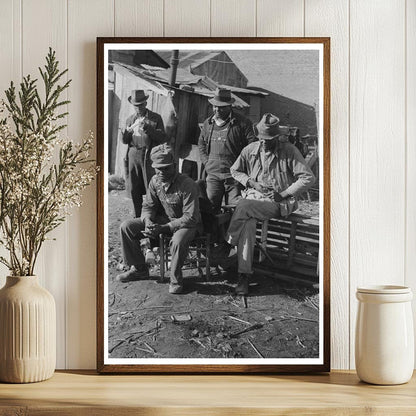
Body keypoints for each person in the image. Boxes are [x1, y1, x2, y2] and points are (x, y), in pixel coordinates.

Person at [224, 113, 316, 295]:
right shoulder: (250, 149)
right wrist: (251, 182)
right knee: (248, 224)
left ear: (278, 137)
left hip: (276, 203)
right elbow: (234, 170)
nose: (264, 142)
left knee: (243, 206)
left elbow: (308, 177)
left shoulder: (289, 151)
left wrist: (284, 193)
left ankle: (228, 244)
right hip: (254, 198)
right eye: (261, 139)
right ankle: (244, 276)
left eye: (269, 139)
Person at [116, 144, 202, 294]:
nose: (161, 172)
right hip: (164, 220)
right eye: (158, 168)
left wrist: (164, 228)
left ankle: (176, 279)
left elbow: (190, 217)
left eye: (166, 168)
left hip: (187, 225)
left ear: (174, 166)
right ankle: (139, 268)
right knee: (126, 226)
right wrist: (148, 221)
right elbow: (149, 206)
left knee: (178, 240)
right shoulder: (155, 181)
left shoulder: (187, 184)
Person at [198, 88, 256, 213]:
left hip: (234, 176)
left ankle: (232, 233)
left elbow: (253, 145)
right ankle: (214, 233)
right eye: (214, 106)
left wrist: (241, 165)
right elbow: (201, 143)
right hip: (213, 174)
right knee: (211, 208)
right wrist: (206, 162)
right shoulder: (208, 123)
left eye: (221, 107)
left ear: (230, 106)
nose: (217, 110)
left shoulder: (242, 123)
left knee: (235, 209)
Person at [122, 89, 166, 217]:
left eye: (141, 105)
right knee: (134, 188)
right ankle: (137, 216)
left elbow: (162, 137)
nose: (138, 108)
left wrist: (147, 128)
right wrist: (126, 133)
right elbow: (125, 141)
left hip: (149, 156)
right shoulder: (130, 119)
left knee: (151, 187)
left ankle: (153, 216)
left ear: (146, 103)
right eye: (136, 105)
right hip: (133, 154)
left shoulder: (155, 118)